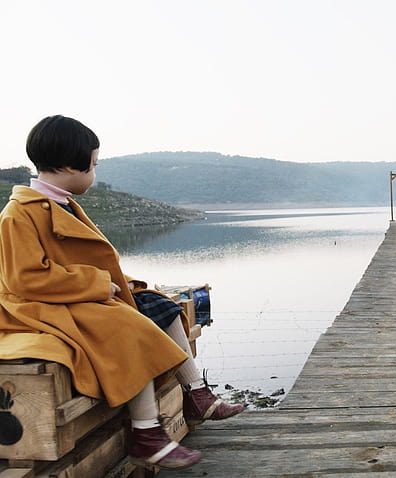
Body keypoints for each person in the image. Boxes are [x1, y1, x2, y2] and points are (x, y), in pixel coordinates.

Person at [0, 116, 244, 470]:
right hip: (38, 305)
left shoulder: (60, 203)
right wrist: (99, 285)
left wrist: (122, 282)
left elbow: (80, 259)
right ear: (70, 165)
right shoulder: (19, 214)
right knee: (127, 326)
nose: (95, 173)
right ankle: (146, 432)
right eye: (94, 165)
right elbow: (26, 279)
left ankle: (197, 394)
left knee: (159, 304)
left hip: (74, 295)